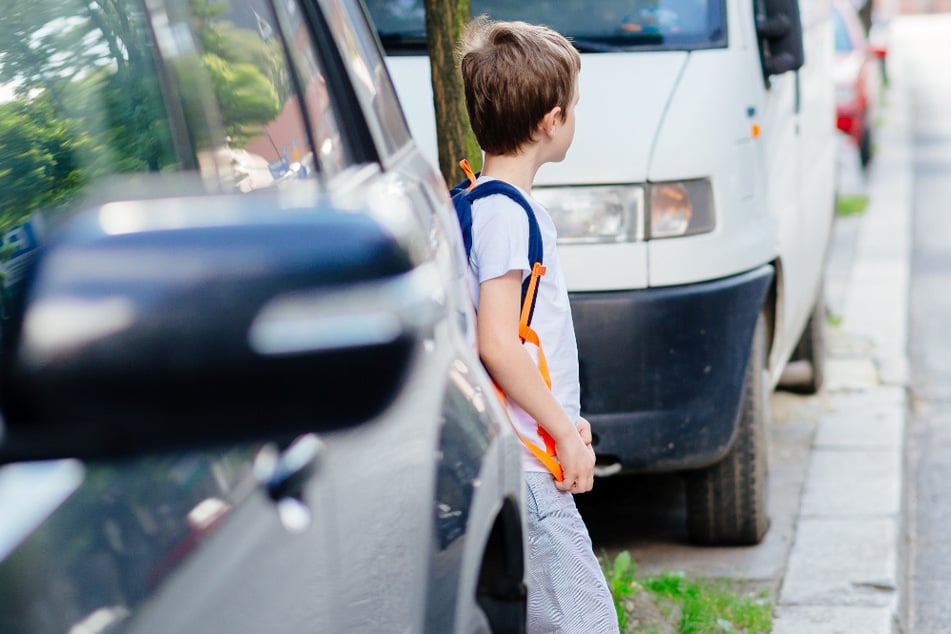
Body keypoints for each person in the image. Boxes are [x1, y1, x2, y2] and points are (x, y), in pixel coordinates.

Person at [458, 16, 620, 633]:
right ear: (552, 121)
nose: (574, 118)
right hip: (528, 463)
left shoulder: (485, 203)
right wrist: (564, 433)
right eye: (573, 107)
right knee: (586, 624)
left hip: (528, 448)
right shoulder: (504, 216)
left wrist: (559, 421)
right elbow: (498, 343)